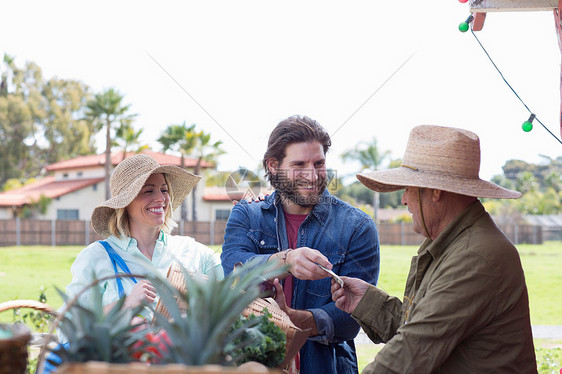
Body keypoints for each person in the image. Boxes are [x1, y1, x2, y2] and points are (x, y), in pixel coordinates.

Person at [331, 125, 537, 373]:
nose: (404, 199)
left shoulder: (475, 256)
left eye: (408, 188)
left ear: (435, 191)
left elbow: (413, 348)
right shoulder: (452, 242)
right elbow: (423, 325)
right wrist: (367, 302)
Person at [221, 115, 380, 374]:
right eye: (299, 164)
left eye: (319, 163)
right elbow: (233, 270)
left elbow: (352, 318)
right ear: (273, 166)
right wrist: (285, 261)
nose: (312, 175)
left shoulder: (357, 227)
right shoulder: (247, 215)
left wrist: (291, 319)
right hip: (252, 364)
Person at [64, 153, 223, 316]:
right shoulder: (97, 257)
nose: (161, 198)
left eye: (164, 190)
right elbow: (67, 323)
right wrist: (124, 305)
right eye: (148, 191)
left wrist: (244, 220)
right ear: (125, 203)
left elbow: (237, 276)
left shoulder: (191, 251)